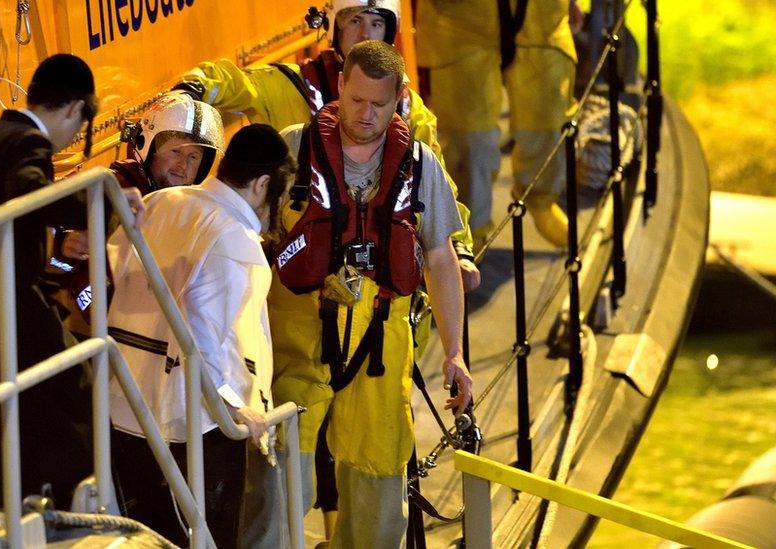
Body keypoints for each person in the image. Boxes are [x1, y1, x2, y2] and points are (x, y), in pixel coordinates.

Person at [259, 41, 473, 548]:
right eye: (355, 100)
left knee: (379, 479)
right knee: (285, 477)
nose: (365, 114)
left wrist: (456, 354)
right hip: (299, 347)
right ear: (340, 88)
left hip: (379, 348)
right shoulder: (294, 149)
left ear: (399, 97)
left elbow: (440, 259)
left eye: (378, 104)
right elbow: (245, 236)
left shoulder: (420, 165)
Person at [0, 54, 145, 508]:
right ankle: (70, 511)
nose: (71, 140)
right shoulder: (27, 144)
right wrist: (101, 200)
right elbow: (29, 195)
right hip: (3, 322)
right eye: (79, 129)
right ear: (73, 109)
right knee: (76, 391)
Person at [174, 0, 480, 291]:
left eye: (376, 23)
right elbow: (232, 82)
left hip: (381, 300)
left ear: (390, 32)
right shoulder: (289, 86)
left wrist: (460, 249)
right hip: (300, 300)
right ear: (334, 26)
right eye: (355, 21)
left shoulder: (406, 109)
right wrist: (188, 94)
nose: (365, 34)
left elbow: (439, 187)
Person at [105, 124, 296, 548]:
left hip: (123, 405)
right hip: (189, 427)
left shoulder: (161, 202)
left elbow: (117, 265)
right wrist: (235, 409)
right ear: (264, 184)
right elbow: (204, 338)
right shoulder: (232, 237)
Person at [415, 0, 578, 249]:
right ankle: (469, 231)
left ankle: (541, 198)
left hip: (542, 16)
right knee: (468, 137)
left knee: (549, 117)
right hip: (460, 20)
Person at [55, 92, 224, 321]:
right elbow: (43, 247)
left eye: (194, 157)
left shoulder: (194, 209)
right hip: (104, 333)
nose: (183, 165)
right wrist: (63, 246)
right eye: (176, 152)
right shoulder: (107, 189)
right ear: (148, 147)